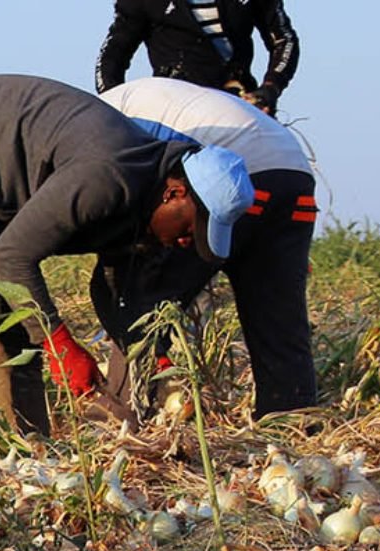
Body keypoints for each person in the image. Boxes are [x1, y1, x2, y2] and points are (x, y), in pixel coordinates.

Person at [0, 74, 253, 436]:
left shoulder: (141, 194)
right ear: (174, 194)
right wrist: (62, 345)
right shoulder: (109, 174)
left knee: (20, 329)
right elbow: (12, 256)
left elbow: (111, 290)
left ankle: (27, 456)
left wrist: (152, 356)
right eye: (189, 228)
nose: (187, 241)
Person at [100, 76, 319, 416]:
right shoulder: (149, 96)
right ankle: (291, 421)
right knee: (278, 319)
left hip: (235, 177)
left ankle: (122, 419)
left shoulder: (99, 118)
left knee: (146, 302)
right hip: (294, 174)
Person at [95, 0, 300, 116]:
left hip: (240, 107)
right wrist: (114, 110)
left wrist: (270, 89)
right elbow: (112, 55)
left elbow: (284, 40)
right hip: (173, 113)